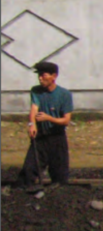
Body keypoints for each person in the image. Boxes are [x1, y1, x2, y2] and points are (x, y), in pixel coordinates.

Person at [19, 62, 74, 190]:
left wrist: (49, 118)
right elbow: (34, 109)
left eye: (43, 75)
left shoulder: (64, 94)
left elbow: (66, 120)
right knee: (30, 168)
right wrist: (32, 124)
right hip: (41, 135)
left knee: (59, 175)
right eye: (39, 75)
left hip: (57, 136)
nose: (40, 78)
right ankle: (27, 188)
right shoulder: (36, 91)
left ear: (53, 76)